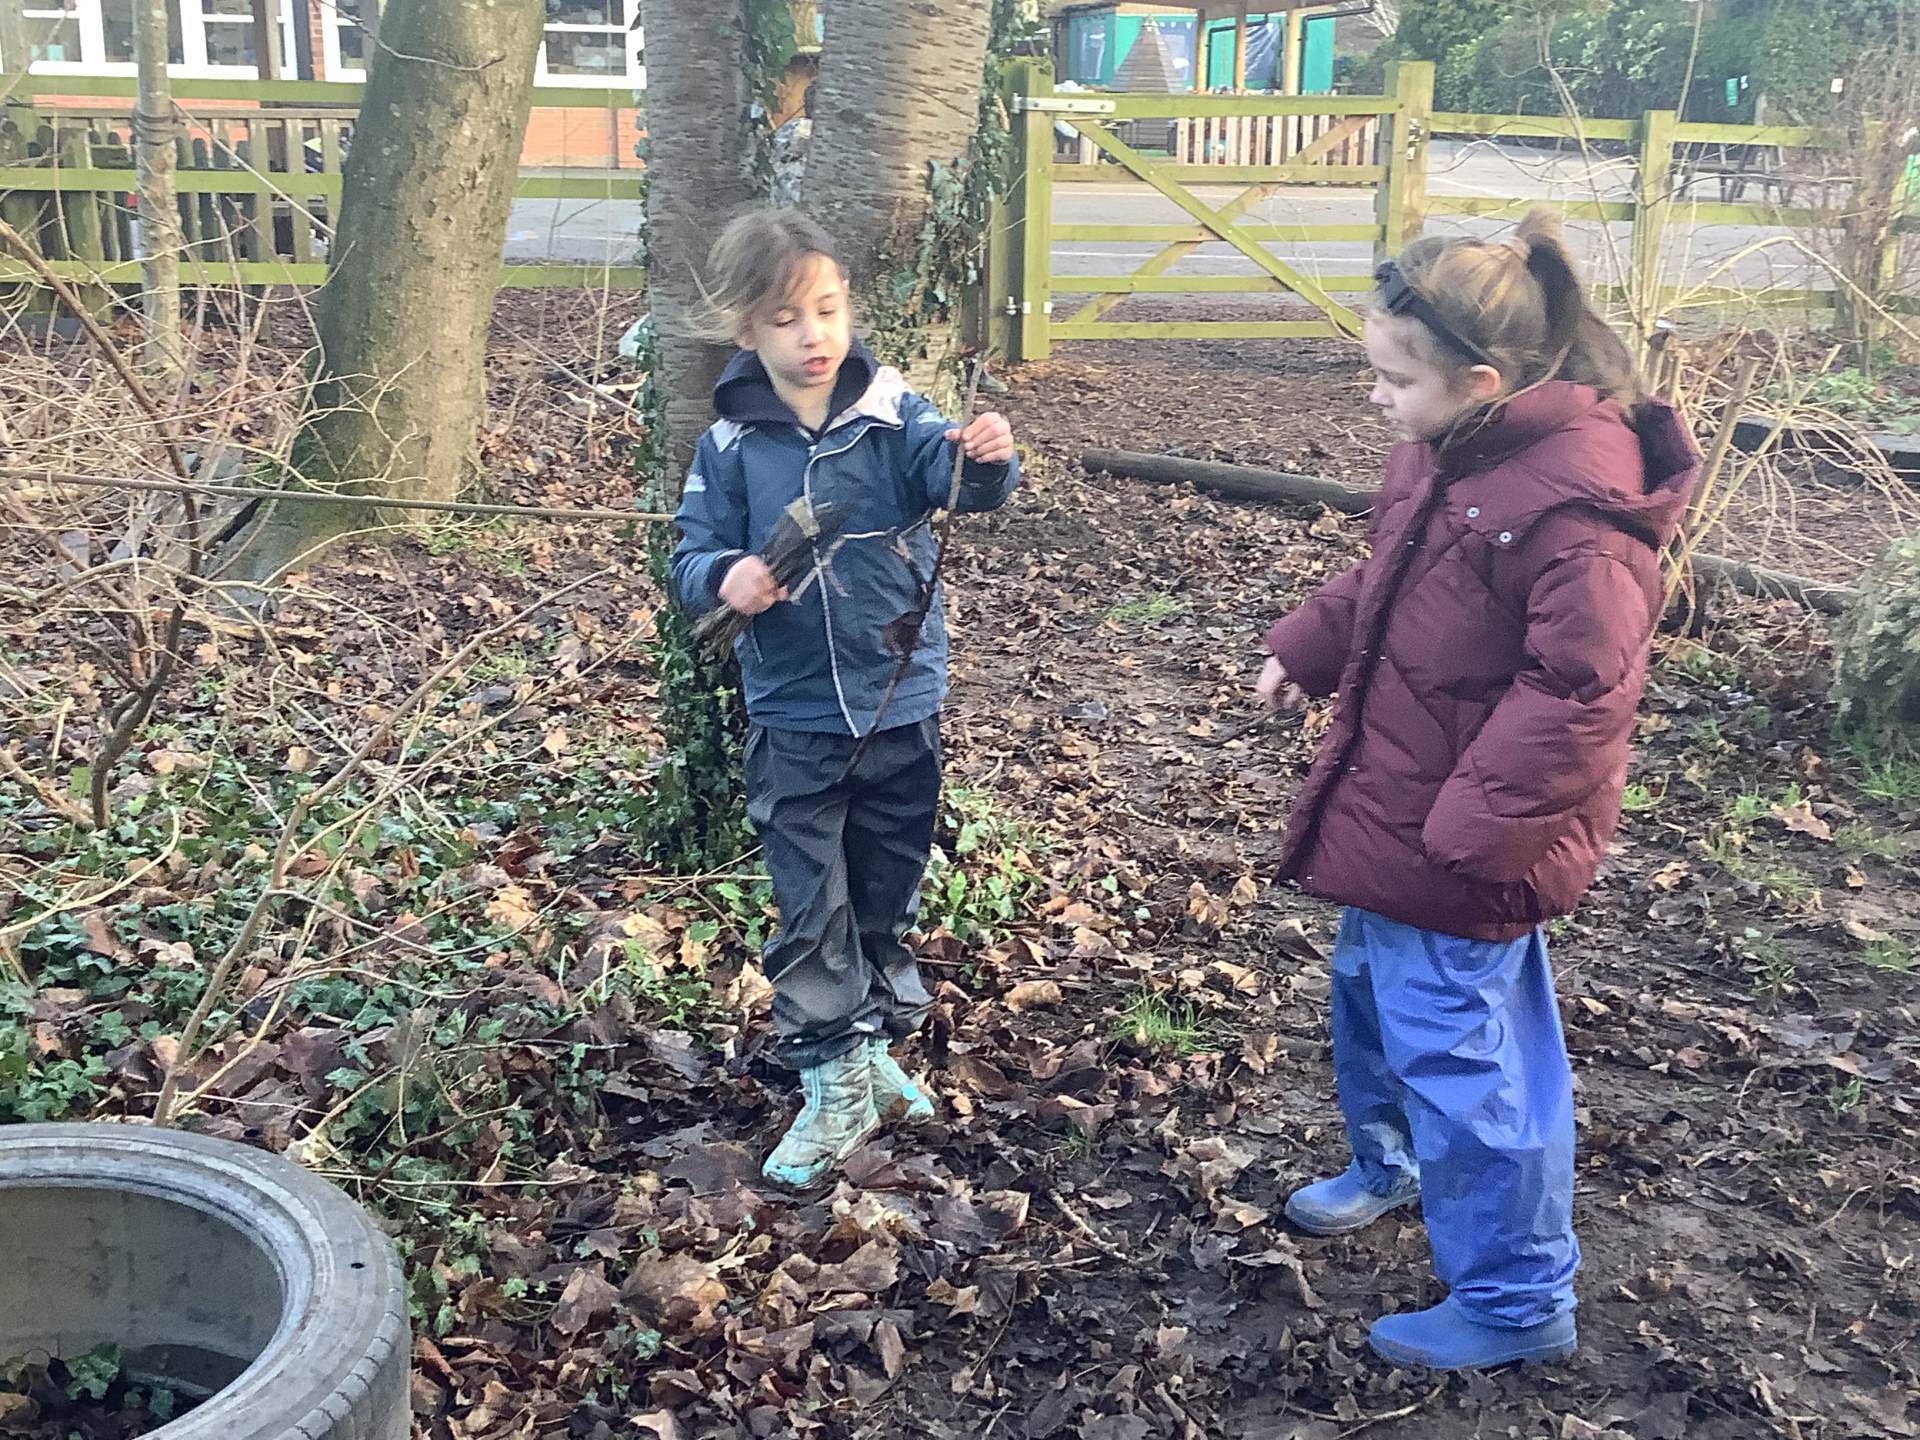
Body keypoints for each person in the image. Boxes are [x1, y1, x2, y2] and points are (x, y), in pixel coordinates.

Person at [1256, 210, 1699, 1370]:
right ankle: (1392, 1163)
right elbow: (1393, 574)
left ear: (1484, 382)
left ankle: (1515, 1297)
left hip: (1464, 842)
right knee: (1371, 999)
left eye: (1395, 380)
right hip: (1397, 812)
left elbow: (1582, 693)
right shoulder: (1447, 448)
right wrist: (1308, 642)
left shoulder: (1579, 518)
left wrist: (1471, 832)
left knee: (1465, 1060)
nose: (1378, 399)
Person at [670, 209, 1020, 1190]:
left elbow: (953, 479)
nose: (812, 335)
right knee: (809, 899)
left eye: (826, 309)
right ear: (747, 329)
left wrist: (984, 456)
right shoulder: (730, 446)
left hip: (900, 698)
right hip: (796, 715)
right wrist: (727, 575)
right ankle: (831, 1079)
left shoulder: (893, 411)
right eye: (785, 319)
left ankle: (872, 1052)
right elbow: (691, 555)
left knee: (884, 883)